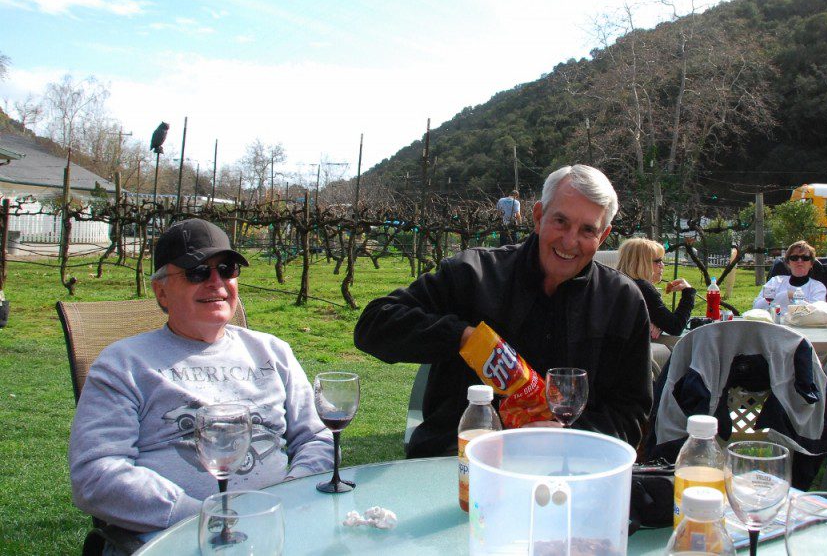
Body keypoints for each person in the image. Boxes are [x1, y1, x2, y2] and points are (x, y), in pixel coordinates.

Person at [355, 165, 652, 457]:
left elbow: (631, 413)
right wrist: (464, 338)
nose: (570, 241)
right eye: (560, 221)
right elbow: (373, 325)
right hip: (459, 460)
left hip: (566, 467)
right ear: (538, 217)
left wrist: (571, 436)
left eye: (587, 230)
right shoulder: (473, 273)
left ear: (603, 236)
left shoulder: (623, 301)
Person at [69, 219, 333, 534]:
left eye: (227, 269)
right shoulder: (124, 365)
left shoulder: (272, 352)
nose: (216, 282)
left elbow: (317, 437)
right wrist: (203, 518)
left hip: (279, 525)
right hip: (178, 536)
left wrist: (290, 495)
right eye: (197, 272)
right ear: (161, 292)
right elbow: (96, 473)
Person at [615, 238, 695, 378]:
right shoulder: (642, 288)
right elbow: (675, 326)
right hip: (631, 369)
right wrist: (688, 293)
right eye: (658, 261)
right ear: (641, 262)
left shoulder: (616, 282)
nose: (662, 265)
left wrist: (653, 322)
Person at [752, 240, 827, 310]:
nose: (799, 261)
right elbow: (757, 307)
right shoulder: (775, 282)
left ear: (811, 264)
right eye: (794, 258)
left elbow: (816, 312)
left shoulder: (817, 287)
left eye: (805, 258)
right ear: (788, 263)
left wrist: (794, 297)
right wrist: (786, 295)